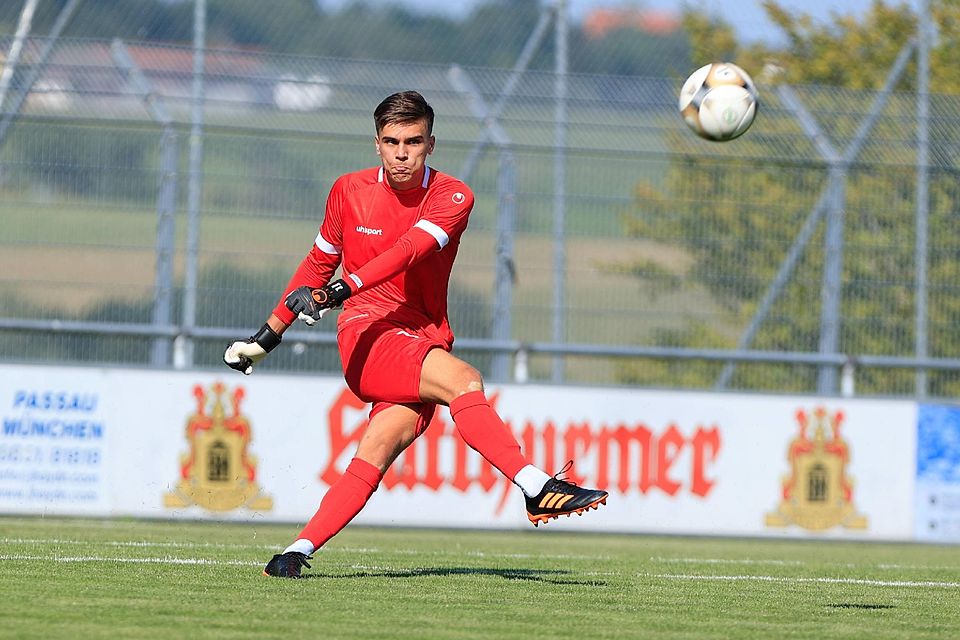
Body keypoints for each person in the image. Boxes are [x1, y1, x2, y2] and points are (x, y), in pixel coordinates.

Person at [224, 90, 607, 579]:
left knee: (377, 450)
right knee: (465, 381)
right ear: (376, 144)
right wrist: (266, 338)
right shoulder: (348, 190)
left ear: (431, 144)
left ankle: (294, 553)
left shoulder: (453, 196)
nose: (401, 152)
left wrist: (337, 289)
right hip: (367, 334)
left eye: (413, 141)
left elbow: (408, 251)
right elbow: (317, 264)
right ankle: (536, 487)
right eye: (391, 142)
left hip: (422, 338)